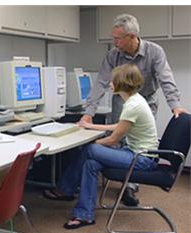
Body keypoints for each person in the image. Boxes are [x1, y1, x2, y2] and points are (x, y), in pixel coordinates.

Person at [44, 13, 188, 206]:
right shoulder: (113, 55)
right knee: (121, 141)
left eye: (117, 38)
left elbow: (166, 79)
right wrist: (89, 114)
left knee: (134, 142)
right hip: (123, 99)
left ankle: (129, 186)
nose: (114, 42)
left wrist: (175, 105)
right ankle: (111, 178)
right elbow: (100, 83)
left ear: (132, 36)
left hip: (146, 99)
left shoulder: (154, 52)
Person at [63, 64, 159, 229]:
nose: (110, 84)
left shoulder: (132, 105)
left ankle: (65, 189)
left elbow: (113, 140)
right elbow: (118, 126)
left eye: (113, 81)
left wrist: (91, 143)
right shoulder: (134, 100)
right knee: (90, 164)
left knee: (88, 150)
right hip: (136, 153)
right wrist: (91, 126)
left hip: (142, 158)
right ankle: (84, 215)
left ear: (122, 82)